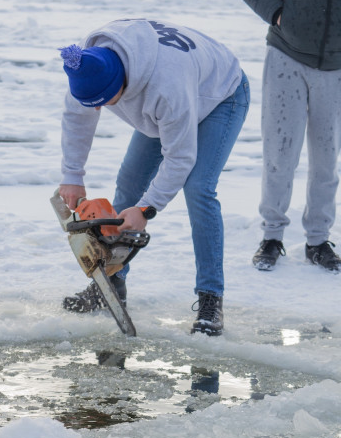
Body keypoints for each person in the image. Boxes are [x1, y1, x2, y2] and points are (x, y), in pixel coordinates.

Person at [57, 18, 250, 336]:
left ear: (122, 82)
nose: (101, 108)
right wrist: (72, 175)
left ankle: (210, 301)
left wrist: (147, 210)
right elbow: (77, 117)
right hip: (176, 96)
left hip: (220, 95)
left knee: (199, 189)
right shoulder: (87, 67)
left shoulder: (165, 86)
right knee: (129, 183)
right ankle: (112, 285)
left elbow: (181, 158)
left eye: (106, 101)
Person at [235, 0, 341, 273]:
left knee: (327, 159)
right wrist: (278, 14)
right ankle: (272, 236)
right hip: (287, 56)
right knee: (280, 154)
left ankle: (318, 241)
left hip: (337, 65)